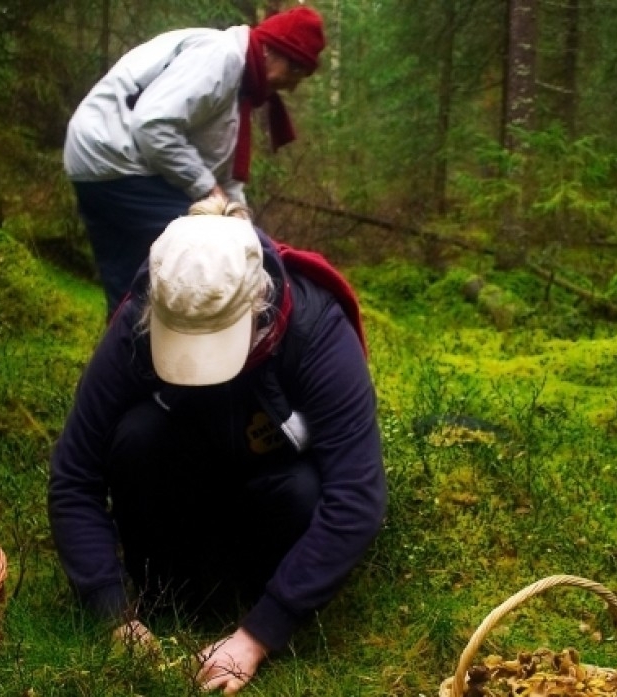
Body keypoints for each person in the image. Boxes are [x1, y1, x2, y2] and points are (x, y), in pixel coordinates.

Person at [47, 201, 386, 695]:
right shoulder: (137, 320)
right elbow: (74, 476)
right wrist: (112, 611)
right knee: (136, 434)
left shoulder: (316, 330)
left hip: (272, 503)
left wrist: (259, 633)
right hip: (181, 498)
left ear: (259, 300)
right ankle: (168, 592)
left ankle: (251, 593)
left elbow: (357, 498)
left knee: (305, 488)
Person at [63, 6, 326, 313]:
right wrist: (206, 189)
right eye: (294, 71)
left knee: (130, 292)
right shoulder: (221, 58)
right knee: (208, 249)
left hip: (100, 161)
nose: (292, 85)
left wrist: (242, 223)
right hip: (114, 159)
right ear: (271, 50)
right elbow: (152, 125)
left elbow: (223, 173)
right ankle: (196, 350)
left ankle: (126, 357)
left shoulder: (238, 85)